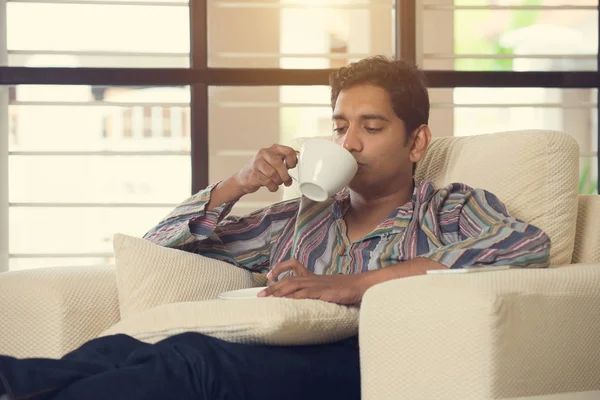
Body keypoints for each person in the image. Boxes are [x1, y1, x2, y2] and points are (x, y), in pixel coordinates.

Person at [0, 56, 551, 400]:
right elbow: (160, 249)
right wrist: (235, 185)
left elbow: (525, 247)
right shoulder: (299, 219)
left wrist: (356, 285)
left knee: (195, 361)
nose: (349, 143)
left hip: (371, 366)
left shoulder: (450, 208)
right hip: (270, 352)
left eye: (371, 126)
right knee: (136, 349)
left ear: (416, 141)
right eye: (340, 127)